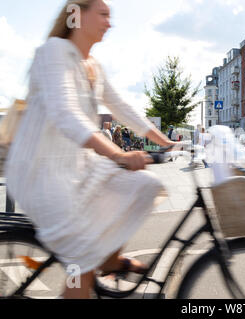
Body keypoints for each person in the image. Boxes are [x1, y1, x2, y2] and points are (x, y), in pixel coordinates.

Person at [4, 0, 179, 299]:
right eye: (103, 15)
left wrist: (165, 141)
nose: (109, 23)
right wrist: (118, 154)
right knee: (80, 262)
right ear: (76, 14)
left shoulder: (92, 65)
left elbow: (121, 106)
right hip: (42, 172)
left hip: (77, 168)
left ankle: (107, 261)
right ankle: (89, 269)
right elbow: (65, 113)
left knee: (144, 185)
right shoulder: (54, 53)